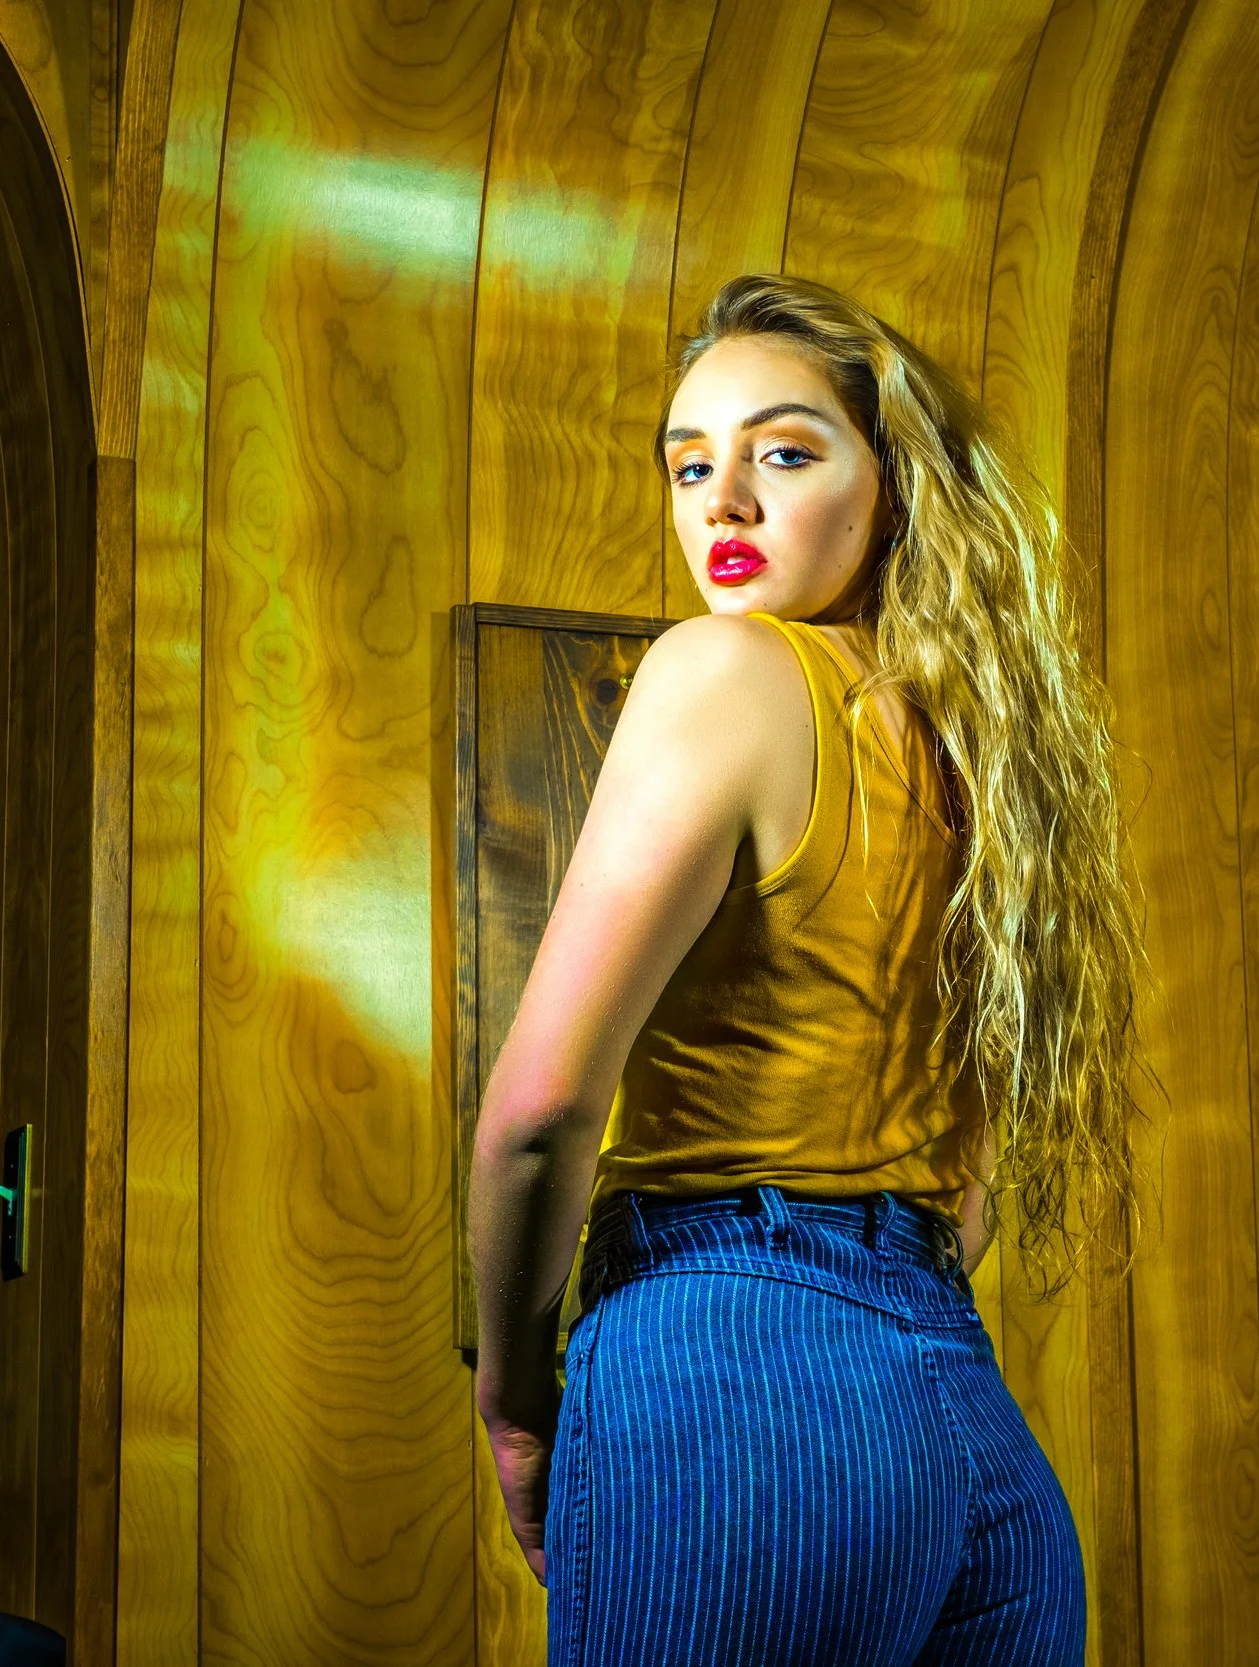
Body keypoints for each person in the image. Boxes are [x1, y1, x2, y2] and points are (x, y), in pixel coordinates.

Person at [468, 273, 1141, 1666]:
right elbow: (967, 1195)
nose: (723, 502)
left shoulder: (721, 672)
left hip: (734, 1374)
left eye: (781, 453)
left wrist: (518, 1403)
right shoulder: (987, 757)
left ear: (891, 489)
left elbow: (538, 1115)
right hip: (969, 1432)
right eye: (689, 465)